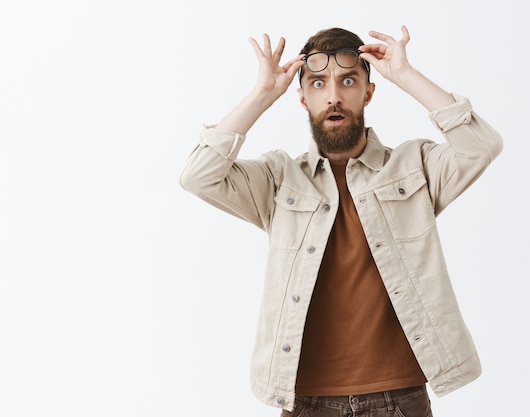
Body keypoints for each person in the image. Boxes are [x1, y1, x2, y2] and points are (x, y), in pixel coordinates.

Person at [180, 25, 503, 417]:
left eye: (348, 81)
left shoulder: (413, 166)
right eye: (317, 84)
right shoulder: (278, 178)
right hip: (304, 399)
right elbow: (199, 175)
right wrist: (262, 95)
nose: (333, 96)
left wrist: (405, 75)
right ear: (301, 98)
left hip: (399, 397)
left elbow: (481, 146)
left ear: (368, 91)